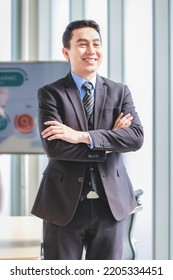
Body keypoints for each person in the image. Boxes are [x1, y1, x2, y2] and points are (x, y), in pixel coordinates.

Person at [31, 19, 144, 260]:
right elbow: (55, 147)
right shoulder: (51, 94)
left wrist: (81, 136)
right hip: (62, 205)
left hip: (110, 206)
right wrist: (110, 142)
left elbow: (135, 138)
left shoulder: (119, 91)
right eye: (82, 44)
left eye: (96, 44)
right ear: (66, 52)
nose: (91, 51)